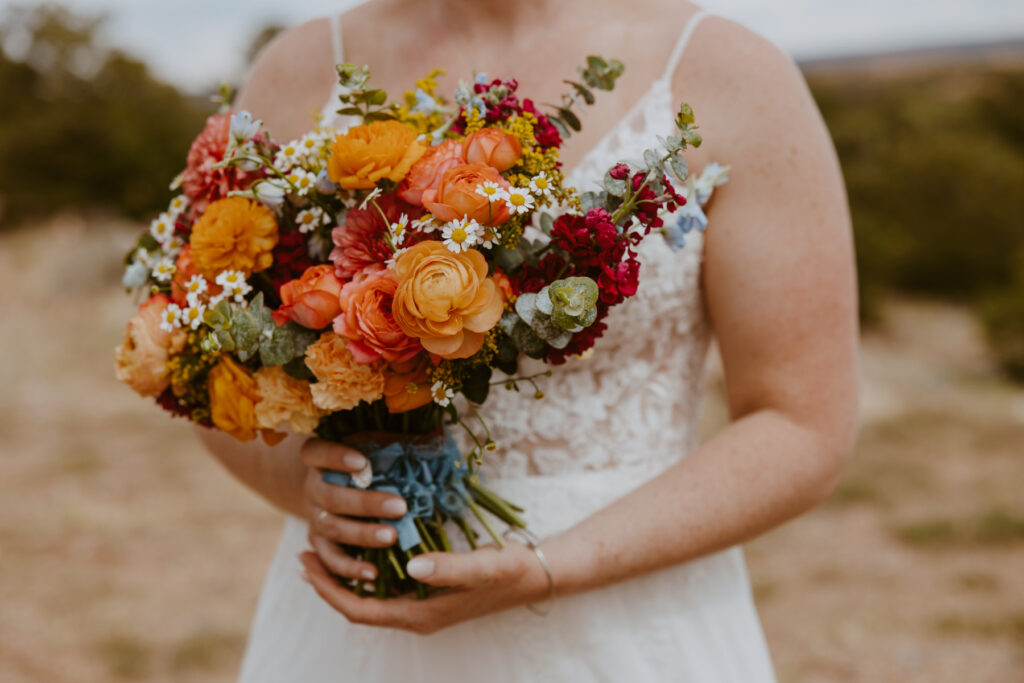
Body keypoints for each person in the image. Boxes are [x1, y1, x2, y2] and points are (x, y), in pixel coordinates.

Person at [198, 0, 859, 679]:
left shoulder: (730, 71)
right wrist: (321, 496)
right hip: (357, 627)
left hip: (626, 624)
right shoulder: (299, 66)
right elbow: (215, 376)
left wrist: (552, 565)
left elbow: (802, 422)